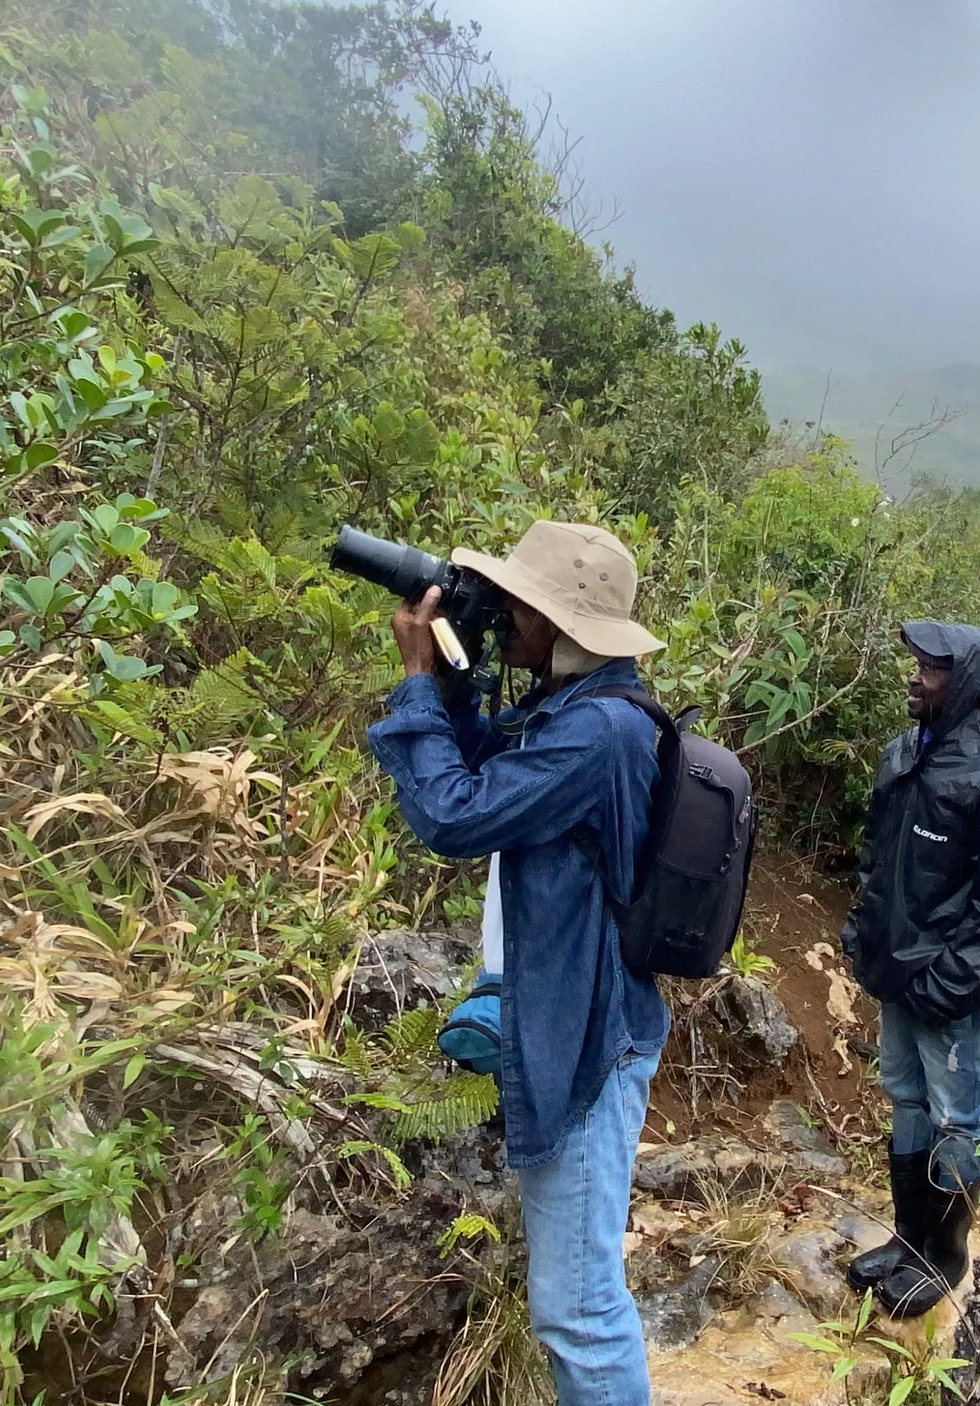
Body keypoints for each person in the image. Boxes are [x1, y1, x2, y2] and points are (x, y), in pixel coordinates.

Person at [367, 520, 669, 1406]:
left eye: (519, 608)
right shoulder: (572, 711)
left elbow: (454, 816)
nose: (505, 619)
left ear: (562, 624)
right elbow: (484, 768)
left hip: (588, 1037)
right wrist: (459, 679)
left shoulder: (598, 733)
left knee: (578, 1312)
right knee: (575, 1302)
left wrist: (418, 679)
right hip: (574, 1020)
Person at [841, 621, 980, 1318]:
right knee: (907, 1099)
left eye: (932, 668)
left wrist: (945, 985)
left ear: (969, 684)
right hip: (897, 973)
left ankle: (945, 1255)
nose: (915, 676)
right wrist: (861, 931)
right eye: (916, 664)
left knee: (958, 1117)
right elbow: (876, 856)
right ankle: (909, 1238)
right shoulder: (903, 754)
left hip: (946, 991)